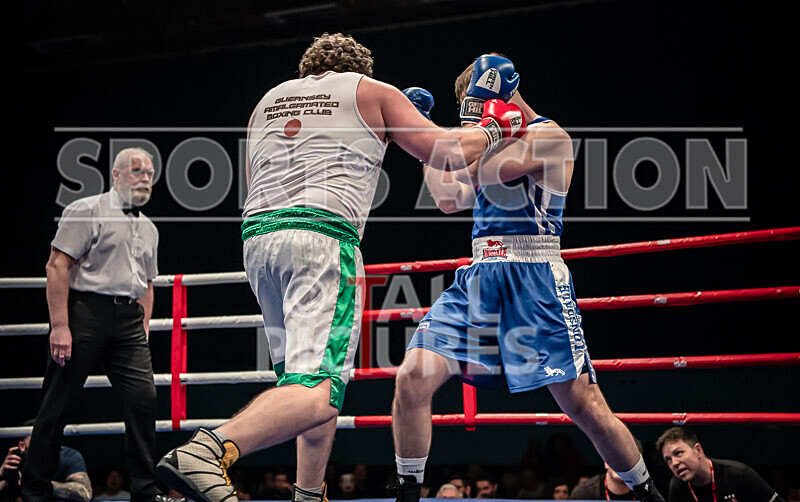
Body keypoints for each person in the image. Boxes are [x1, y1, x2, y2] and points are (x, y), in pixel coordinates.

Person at [156, 32, 526, 502]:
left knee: (305, 382)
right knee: (315, 390)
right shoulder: (371, 92)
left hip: (259, 243)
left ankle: (309, 494)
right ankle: (207, 451)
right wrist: (494, 128)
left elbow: (255, 182)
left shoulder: (266, 102)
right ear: (360, 69)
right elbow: (448, 154)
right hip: (322, 240)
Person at [390, 54, 667, 502]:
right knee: (411, 377)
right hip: (478, 277)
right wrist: (424, 135)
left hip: (534, 278)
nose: (477, 120)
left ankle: (648, 492)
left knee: (584, 404)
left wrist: (438, 140)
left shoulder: (549, 137)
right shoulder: (489, 138)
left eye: (478, 107)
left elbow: (482, 170)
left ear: (501, 95)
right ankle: (406, 493)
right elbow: (447, 198)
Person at [22, 148, 178, 502]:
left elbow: (147, 283)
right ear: (117, 175)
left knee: (143, 399)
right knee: (57, 403)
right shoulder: (86, 210)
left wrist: (145, 325)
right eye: (137, 171)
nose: (144, 179)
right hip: (85, 313)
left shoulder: (149, 228)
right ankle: (34, 490)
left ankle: (145, 490)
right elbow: (57, 265)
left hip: (128, 322)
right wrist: (60, 325)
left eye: (150, 173)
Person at [657, 427, 784, 502]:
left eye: (678, 453)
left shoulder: (739, 474)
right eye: (668, 459)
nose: (674, 463)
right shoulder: (677, 487)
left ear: (698, 450)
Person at [1, 433, 91, 502]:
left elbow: (85, 493)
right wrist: (3, 476)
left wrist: (42, 485)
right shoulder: (13, 459)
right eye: (35, 448)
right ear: (22, 446)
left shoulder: (67, 455)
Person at [569, 438, 645, 500]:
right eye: (616, 456)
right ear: (606, 462)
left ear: (638, 464)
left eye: (628, 458)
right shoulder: (584, 494)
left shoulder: (647, 493)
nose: (621, 463)